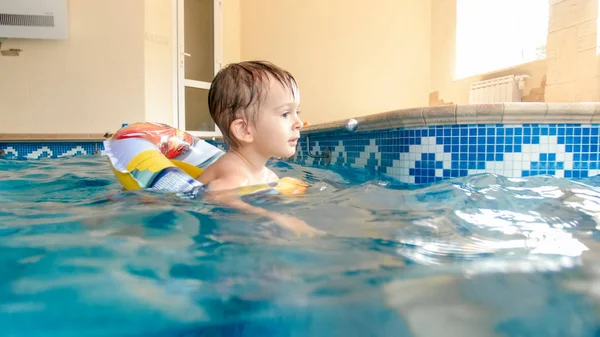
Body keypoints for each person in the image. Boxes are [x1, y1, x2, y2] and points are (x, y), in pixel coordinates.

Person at [198, 61, 323, 237]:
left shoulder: (268, 175)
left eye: (297, 113)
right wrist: (274, 217)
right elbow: (217, 196)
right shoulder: (234, 172)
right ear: (244, 130)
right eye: (285, 114)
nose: (299, 124)